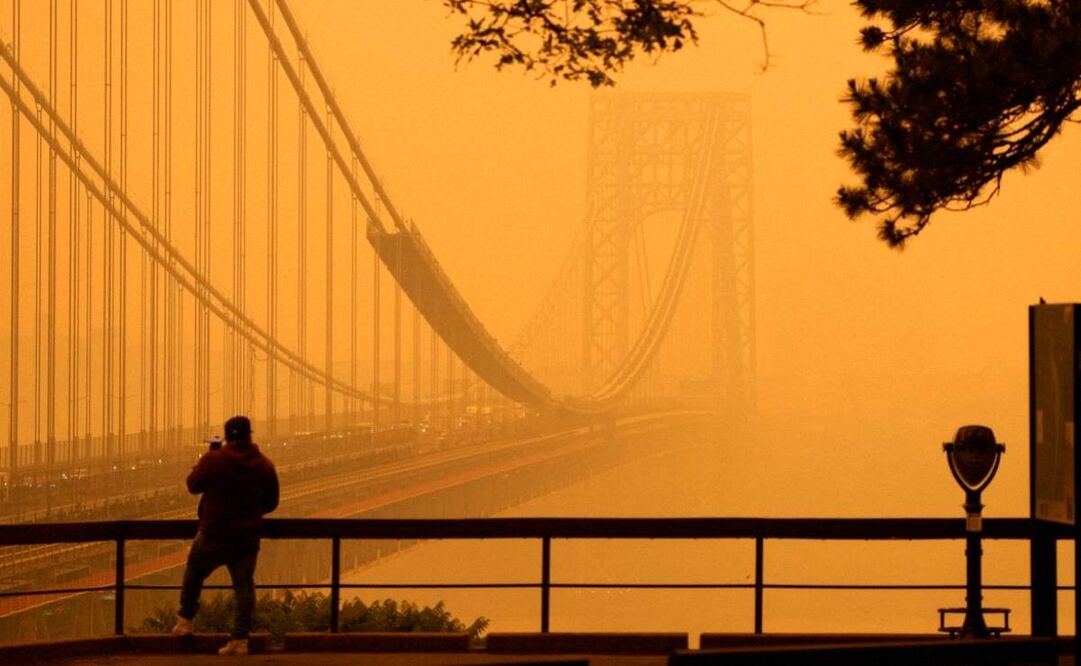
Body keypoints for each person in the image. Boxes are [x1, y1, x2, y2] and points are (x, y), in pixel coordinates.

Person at [171, 416, 279, 656]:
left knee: (194, 573)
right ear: (250, 435)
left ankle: (185, 622)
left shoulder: (214, 460)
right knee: (243, 587)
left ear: (227, 437)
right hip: (247, 537)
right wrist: (250, 513)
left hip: (213, 533)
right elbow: (272, 503)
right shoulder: (265, 465)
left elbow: (192, 485)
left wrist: (207, 457)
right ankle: (240, 639)